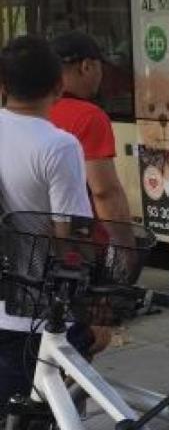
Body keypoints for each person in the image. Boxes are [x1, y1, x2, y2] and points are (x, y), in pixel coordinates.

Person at [0, 36, 98, 405]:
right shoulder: (58, 145)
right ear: (59, 86)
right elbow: (69, 238)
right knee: (56, 412)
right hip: (39, 316)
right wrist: (92, 312)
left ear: (3, 86)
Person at [50, 31, 131, 222]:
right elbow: (105, 192)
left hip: (31, 235)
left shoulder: (27, 113)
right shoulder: (89, 117)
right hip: (80, 241)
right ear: (86, 67)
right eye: (100, 67)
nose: (101, 75)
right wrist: (125, 246)